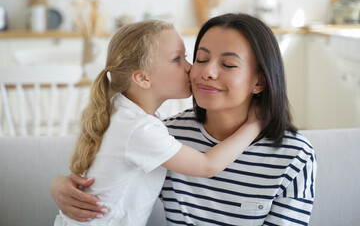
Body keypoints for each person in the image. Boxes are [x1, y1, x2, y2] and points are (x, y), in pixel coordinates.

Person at [51, 13, 317, 225]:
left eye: (228, 64)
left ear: (259, 81)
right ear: (141, 77)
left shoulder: (294, 155)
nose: (203, 71)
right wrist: (59, 187)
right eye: (200, 58)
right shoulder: (167, 134)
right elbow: (109, 171)